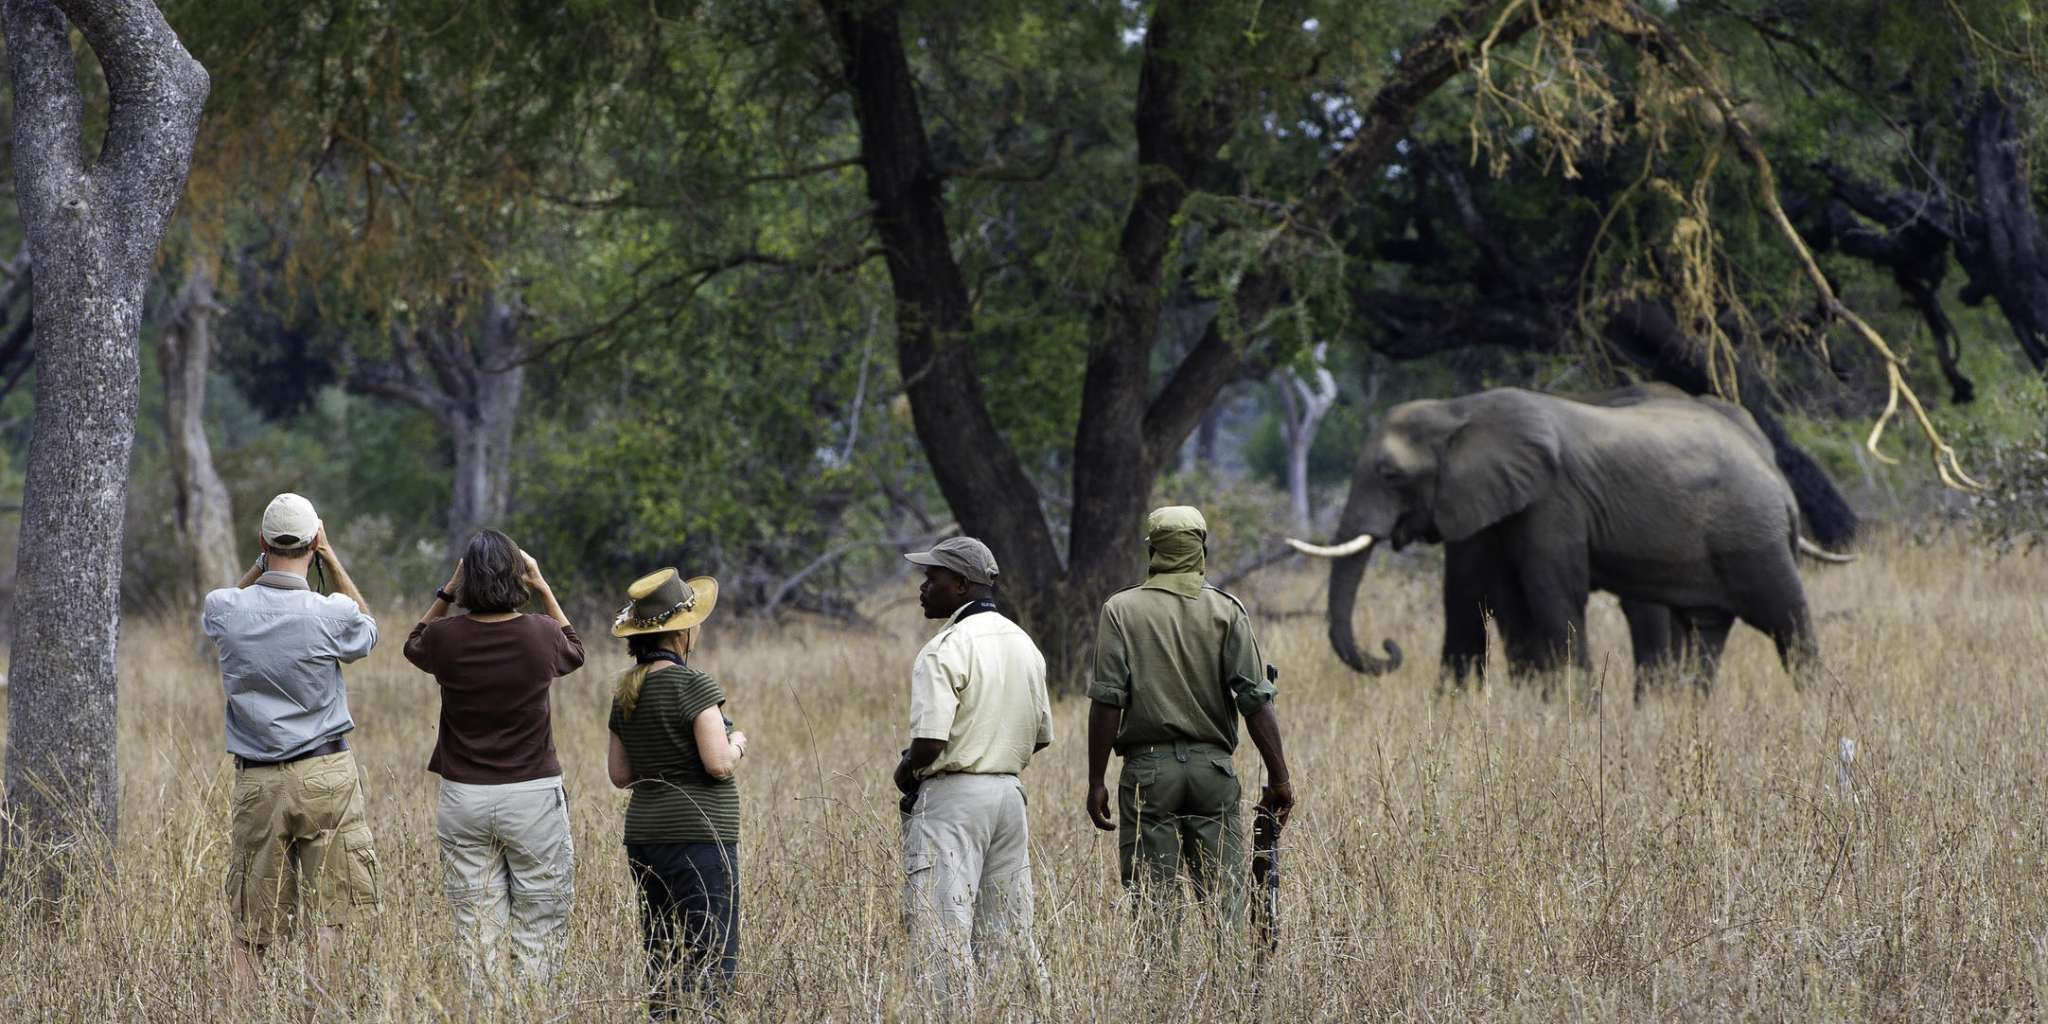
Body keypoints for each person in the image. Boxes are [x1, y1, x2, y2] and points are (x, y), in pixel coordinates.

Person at [201, 492, 381, 1009]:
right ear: (314, 541)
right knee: (329, 916)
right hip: (327, 772)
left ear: (262, 543)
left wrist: (259, 567)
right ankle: (324, 1011)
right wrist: (333, 559)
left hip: (256, 779)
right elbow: (367, 632)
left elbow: (223, 612)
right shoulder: (331, 613)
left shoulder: (226, 607)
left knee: (251, 926)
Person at [1084, 505, 1295, 936]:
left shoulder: (1120, 610)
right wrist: (1280, 778)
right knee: (1227, 909)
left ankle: (1162, 997)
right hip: (1212, 772)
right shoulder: (1226, 610)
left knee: (1154, 910)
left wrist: (1096, 780)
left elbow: (1108, 701)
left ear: (1153, 550)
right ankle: (1235, 997)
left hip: (1148, 773)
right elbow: (1255, 700)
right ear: (1201, 548)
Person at [403, 529, 586, 989]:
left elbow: (414, 642)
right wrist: (543, 586)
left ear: (467, 580)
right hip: (532, 796)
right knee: (540, 928)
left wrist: (447, 590)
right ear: (516, 576)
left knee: (476, 932)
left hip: (464, 798)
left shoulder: (445, 639)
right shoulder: (541, 634)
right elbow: (575, 650)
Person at [895, 536, 1052, 1008]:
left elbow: (930, 742)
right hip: (1008, 796)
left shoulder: (945, 647)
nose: (923, 588)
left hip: (954, 798)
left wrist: (904, 773)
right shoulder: (1025, 644)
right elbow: (1041, 735)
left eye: (933, 578)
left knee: (941, 931)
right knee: (1008, 933)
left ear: (961, 584)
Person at [606, 568, 747, 1015]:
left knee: (662, 948)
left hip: (646, 838)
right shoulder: (693, 685)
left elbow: (620, 774)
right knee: (710, 953)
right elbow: (718, 763)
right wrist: (739, 743)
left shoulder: (626, 691)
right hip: (701, 836)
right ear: (681, 631)